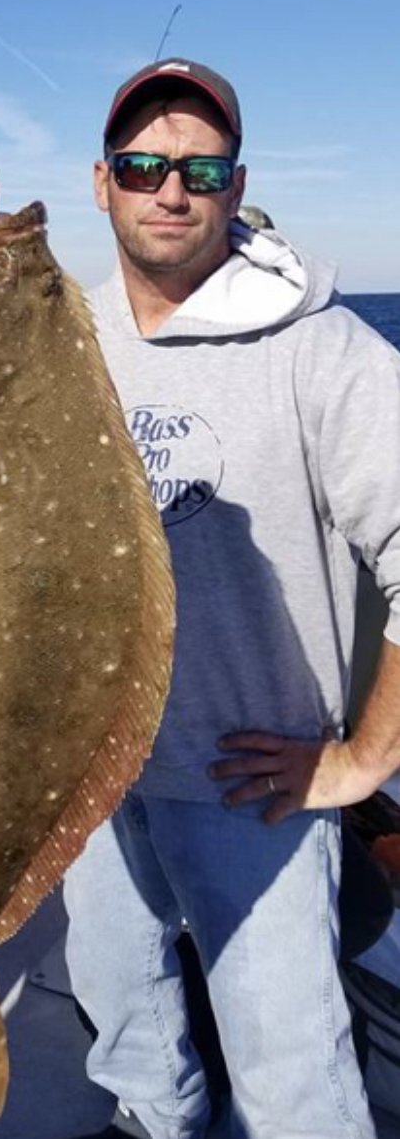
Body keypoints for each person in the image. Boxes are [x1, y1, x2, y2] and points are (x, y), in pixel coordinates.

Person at [61, 57, 400, 1139]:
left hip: (253, 780)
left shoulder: (323, 347)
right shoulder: (62, 343)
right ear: (101, 181)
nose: (171, 188)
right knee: (124, 1017)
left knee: (292, 1068)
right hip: (88, 777)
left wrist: (363, 760)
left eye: (200, 167)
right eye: (143, 163)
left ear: (236, 181)